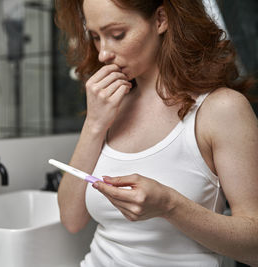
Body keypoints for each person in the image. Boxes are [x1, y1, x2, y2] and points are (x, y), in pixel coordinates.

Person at [54, 0, 258, 266]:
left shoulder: (221, 109)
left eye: (117, 35)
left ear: (161, 19)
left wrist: (170, 205)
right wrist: (94, 124)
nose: (103, 53)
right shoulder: (110, 106)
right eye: (95, 37)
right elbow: (71, 219)